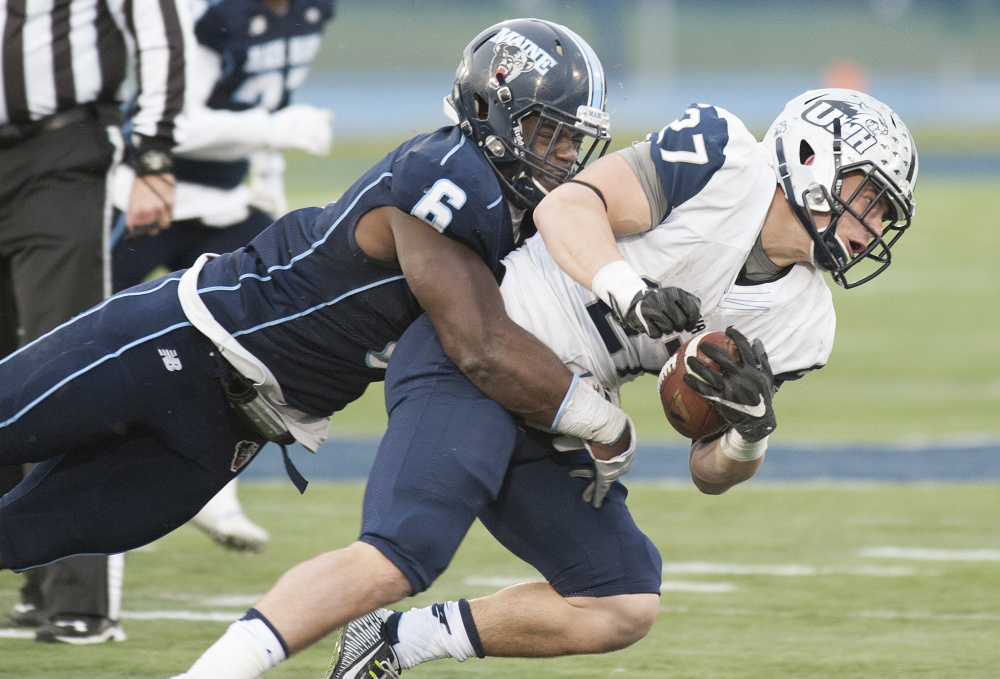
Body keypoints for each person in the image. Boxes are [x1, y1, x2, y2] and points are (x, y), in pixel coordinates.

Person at [170, 87, 917, 679]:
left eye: (885, 211)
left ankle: (394, 642)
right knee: (400, 552)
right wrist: (626, 287)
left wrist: (749, 435)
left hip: (566, 406)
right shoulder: (727, 158)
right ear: (815, 157)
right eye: (870, 195)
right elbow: (572, 203)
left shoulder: (805, 319)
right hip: (484, 345)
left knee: (622, 599)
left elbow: (707, 467)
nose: (872, 224)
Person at [0, 15, 630, 620]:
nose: (567, 154)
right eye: (550, 132)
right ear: (492, 110)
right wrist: (602, 421)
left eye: (574, 137)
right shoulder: (447, 174)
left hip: (238, 425)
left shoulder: (521, 217)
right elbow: (480, 347)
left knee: (22, 536)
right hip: (181, 342)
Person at [111, 0, 337, 553]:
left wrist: (267, 175)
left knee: (263, 339)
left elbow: (268, 95)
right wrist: (275, 130)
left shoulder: (309, 11)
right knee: (72, 330)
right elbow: (176, 125)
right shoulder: (205, 12)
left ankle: (210, 488)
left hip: (229, 202)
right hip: (146, 195)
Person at [0, 0, 193, 643]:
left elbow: (159, 34)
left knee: (64, 369)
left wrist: (155, 155)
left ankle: (77, 597)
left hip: (56, 155)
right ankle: (29, 568)